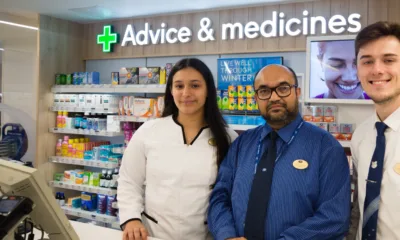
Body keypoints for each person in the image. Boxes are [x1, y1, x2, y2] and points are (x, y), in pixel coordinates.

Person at [208, 64, 351, 240]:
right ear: (256, 98)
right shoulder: (242, 144)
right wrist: (226, 235)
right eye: (264, 91)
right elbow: (219, 197)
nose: (274, 97)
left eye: (283, 88)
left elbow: (334, 218)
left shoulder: (326, 147)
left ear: (297, 92)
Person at [118, 58, 238, 240]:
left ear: (208, 91)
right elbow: (129, 180)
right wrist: (131, 219)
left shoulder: (227, 138)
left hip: (205, 235)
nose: (186, 93)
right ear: (171, 91)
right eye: (179, 86)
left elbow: (232, 194)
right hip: (154, 234)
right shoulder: (149, 131)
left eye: (195, 86)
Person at [349, 21, 400, 240]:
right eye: (367, 61)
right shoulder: (361, 135)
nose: (377, 70)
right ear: (358, 69)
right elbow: (359, 210)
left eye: (389, 60)